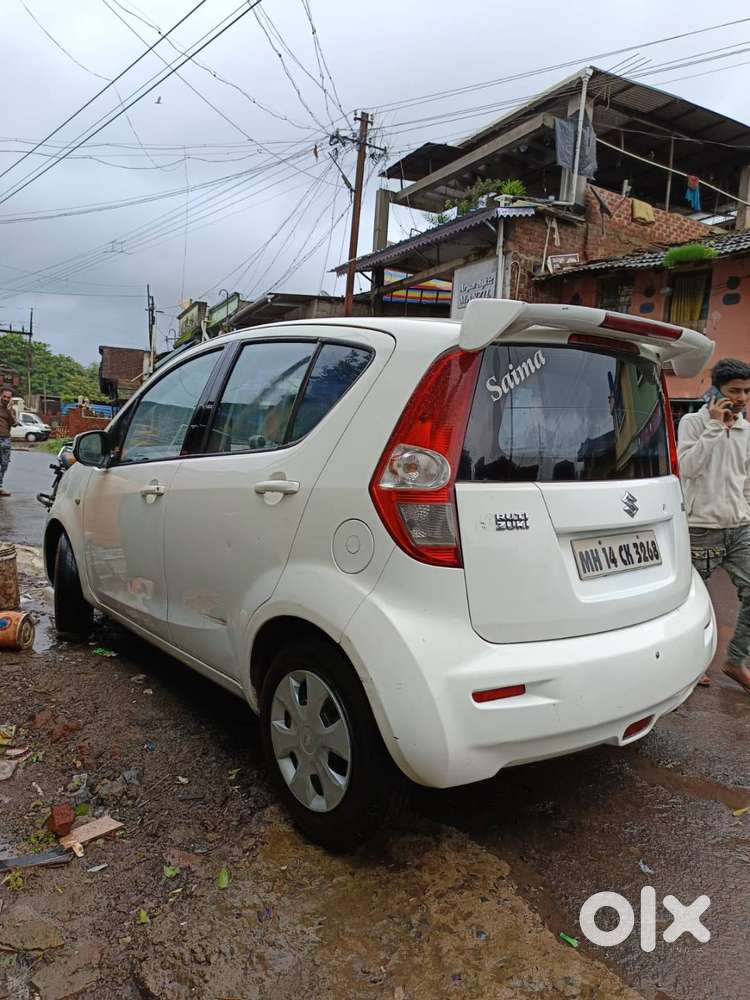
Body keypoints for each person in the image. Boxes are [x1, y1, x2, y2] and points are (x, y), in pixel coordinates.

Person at [678, 358, 750, 695]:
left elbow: (745, 480)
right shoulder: (693, 423)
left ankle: (735, 661)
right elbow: (687, 469)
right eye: (734, 391)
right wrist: (714, 426)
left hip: (739, 527)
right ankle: (692, 665)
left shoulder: (746, 429)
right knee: (692, 604)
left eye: (747, 391)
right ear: (715, 389)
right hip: (701, 529)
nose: (742, 398)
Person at [0, 387, 18, 497]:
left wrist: (8, 410)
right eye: (4, 396)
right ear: (1, 396)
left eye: (8, 397)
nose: (6, 399)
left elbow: (13, 423)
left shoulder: (11, 410)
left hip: (5, 439)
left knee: (4, 464)